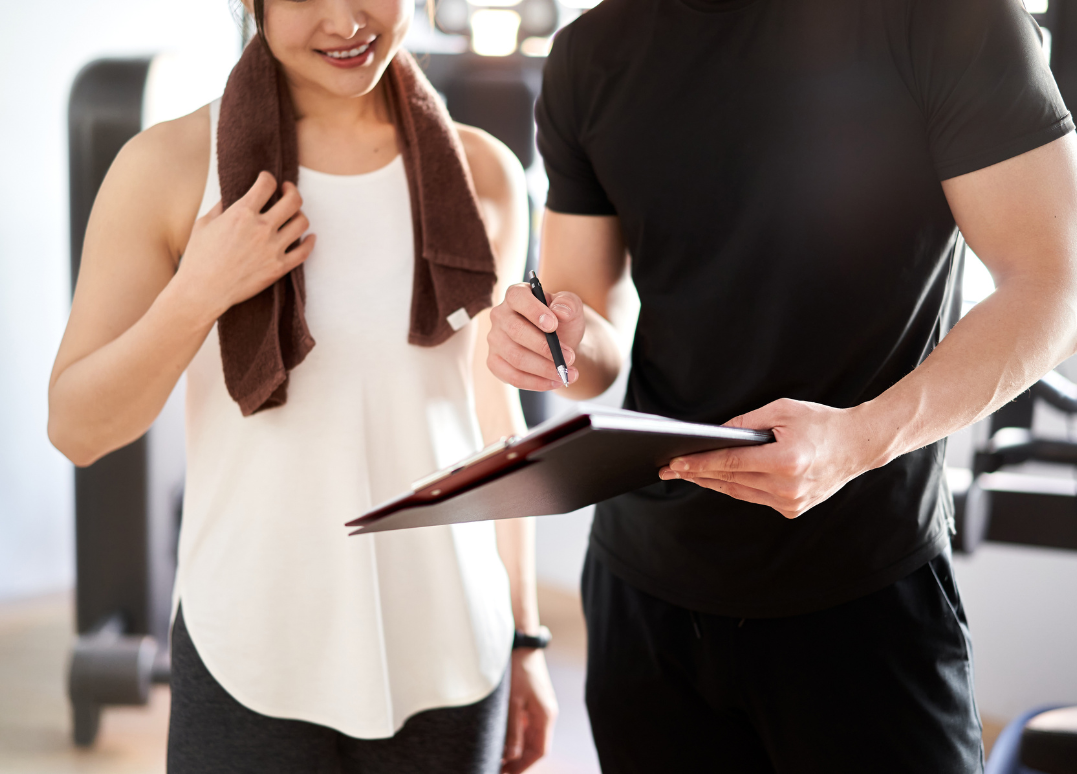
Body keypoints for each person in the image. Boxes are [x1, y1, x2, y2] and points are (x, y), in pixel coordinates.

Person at [487, 0, 1077, 770]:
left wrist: (857, 440)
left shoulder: (944, 18)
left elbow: (1051, 285)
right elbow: (586, 323)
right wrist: (550, 342)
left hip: (860, 588)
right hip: (645, 589)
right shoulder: (591, 51)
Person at [47, 1, 556, 772]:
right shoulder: (172, 166)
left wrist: (525, 636)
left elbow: (495, 425)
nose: (345, 21)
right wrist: (198, 292)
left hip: (453, 651)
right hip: (250, 655)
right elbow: (77, 428)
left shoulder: (483, 172)